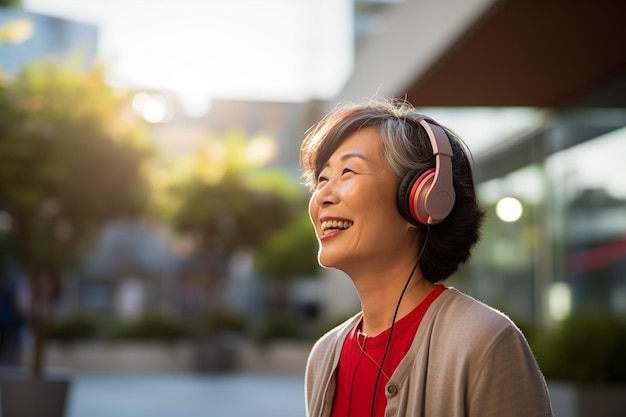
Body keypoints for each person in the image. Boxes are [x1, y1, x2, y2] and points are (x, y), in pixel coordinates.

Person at [300, 98, 552, 417]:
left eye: (348, 171)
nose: (322, 195)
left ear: (423, 199)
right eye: (322, 179)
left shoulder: (485, 342)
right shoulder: (324, 357)